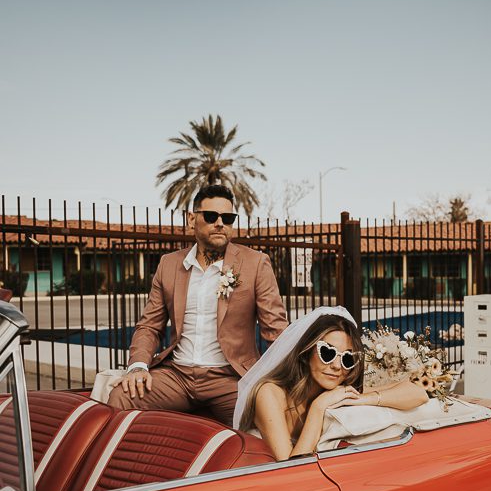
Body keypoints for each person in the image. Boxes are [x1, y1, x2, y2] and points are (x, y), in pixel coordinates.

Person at [109, 184, 287, 427]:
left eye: (228, 218)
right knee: (122, 395)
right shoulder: (169, 264)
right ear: (192, 219)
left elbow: (275, 329)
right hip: (177, 375)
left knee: (273, 419)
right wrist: (138, 366)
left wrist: (287, 378)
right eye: (212, 216)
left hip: (231, 378)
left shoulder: (255, 263)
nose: (220, 223)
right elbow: (150, 325)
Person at [234, 306, 427, 461]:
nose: (336, 366)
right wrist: (318, 407)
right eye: (328, 353)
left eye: (347, 359)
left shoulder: (334, 390)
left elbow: (417, 393)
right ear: (306, 351)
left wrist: (362, 399)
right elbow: (292, 469)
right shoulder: (269, 393)